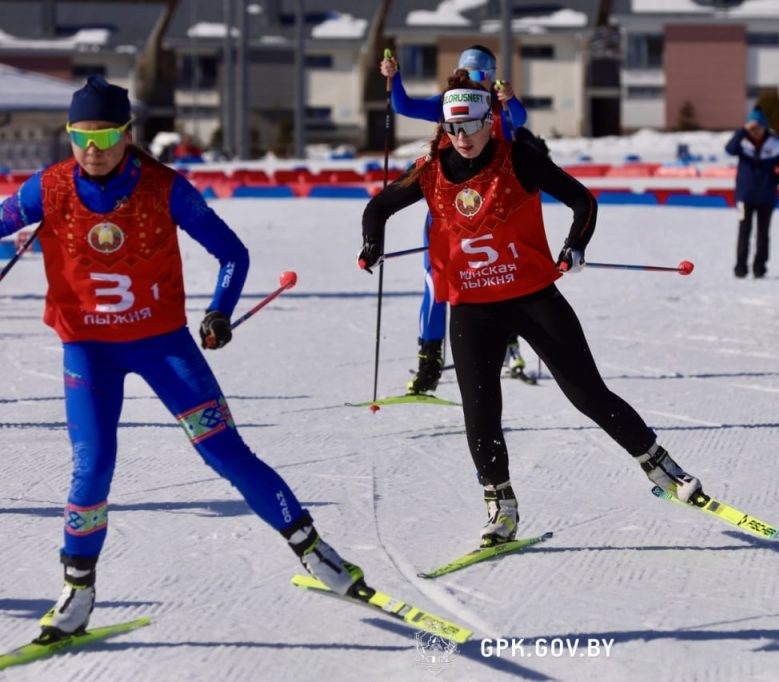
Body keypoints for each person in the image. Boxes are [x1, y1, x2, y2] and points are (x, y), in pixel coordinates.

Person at [0, 76, 364, 643]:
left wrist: (219, 311)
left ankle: (316, 551)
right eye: (79, 136)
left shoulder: (164, 188)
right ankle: (78, 589)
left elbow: (231, 254)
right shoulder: (46, 189)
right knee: (92, 465)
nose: (91, 149)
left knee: (223, 450)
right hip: (88, 351)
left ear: (127, 133)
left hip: (163, 347)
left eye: (103, 135)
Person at [358, 72, 704, 546]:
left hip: (532, 299)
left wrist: (575, 245)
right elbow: (377, 208)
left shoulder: (517, 158)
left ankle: (662, 468)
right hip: (473, 310)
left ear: (489, 120)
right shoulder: (431, 170)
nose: (462, 137)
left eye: (472, 126)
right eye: (453, 127)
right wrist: (371, 245)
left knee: (587, 394)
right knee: (480, 413)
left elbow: (581, 200)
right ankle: (501, 507)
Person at [380, 45, 532, 394]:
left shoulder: (496, 105)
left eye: (482, 75)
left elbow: (518, 120)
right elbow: (403, 106)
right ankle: (428, 365)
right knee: (436, 286)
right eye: (468, 74)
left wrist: (509, 98)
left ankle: (508, 344)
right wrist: (394, 75)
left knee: (500, 282)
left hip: (493, 212)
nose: (474, 83)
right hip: (449, 210)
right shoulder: (449, 101)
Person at [724, 107, 779, 279]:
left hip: (767, 198)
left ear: (764, 127)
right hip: (745, 197)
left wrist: (772, 182)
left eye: (758, 128)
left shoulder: (775, 143)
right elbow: (729, 150)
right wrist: (743, 131)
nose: (755, 132)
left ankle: (759, 267)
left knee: (763, 233)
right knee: (744, 231)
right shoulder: (742, 142)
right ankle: (740, 268)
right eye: (752, 128)